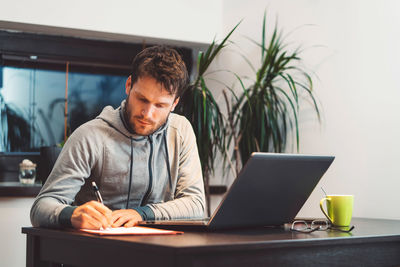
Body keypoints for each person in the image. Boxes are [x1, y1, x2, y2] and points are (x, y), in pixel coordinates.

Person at [30, 46, 205, 229]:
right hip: (102, 249)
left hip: (159, 248)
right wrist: (72, 214)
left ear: (174, 103)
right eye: (142, 99)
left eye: (160, 105)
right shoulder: (90, 136)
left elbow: (195, 203)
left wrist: (141, 214)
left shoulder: (180, 131)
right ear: (129, 85)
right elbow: (40, 208)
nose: (148, 114)